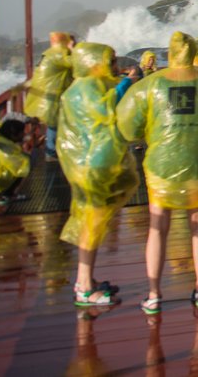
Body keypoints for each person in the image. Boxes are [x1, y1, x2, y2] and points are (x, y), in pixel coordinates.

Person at [116, 31, 198, 315]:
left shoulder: (152, 84)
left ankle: (155, 294)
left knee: (158, 227)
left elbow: (128, 127)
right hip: (197, 163)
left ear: (168, 54)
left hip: (161, 164)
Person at [58, 42, 140, 307]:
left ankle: (88, 280)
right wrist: (127, 83)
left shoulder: (84, 85)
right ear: (95, 62)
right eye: (111, 61)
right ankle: (83, 287)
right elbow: (106, 109)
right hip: (90, 166)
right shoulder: (85, 89)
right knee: (90, 225)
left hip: (89, 163)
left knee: (91, 223)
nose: (114, 66)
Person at [24, 30, 74, 161]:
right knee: (54, 122)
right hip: (49, 96)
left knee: (55, 121)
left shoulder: (50, 54)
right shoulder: (58, 55)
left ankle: (53, 149)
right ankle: (51, 152)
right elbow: (75, 63)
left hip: (45, 95)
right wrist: (72, 49)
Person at [0, 117, 30, 201]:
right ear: (13, 135)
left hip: (0, 175)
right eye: (21, 133)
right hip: (1, 181)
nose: (24, 134)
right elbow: (18, 166)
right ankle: (6, 194)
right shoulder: (6, 148)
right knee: (23, 166)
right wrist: (28, 159)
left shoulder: (2, 141)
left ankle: (6, 194)